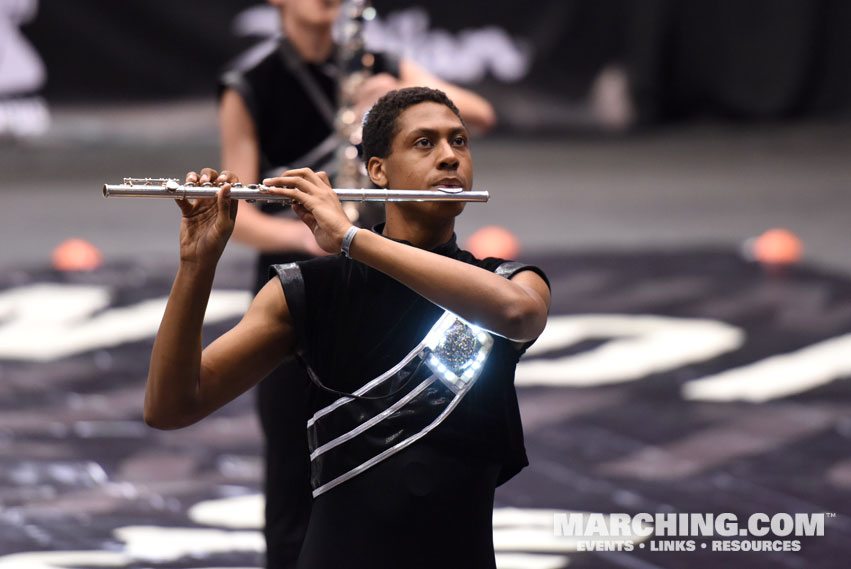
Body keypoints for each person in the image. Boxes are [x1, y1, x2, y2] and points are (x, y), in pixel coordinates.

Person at [145, 87, 550, 568]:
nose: (449, 157)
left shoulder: (507, 283)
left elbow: (518, 315)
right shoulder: (311, 291)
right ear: (377, 171)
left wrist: (350, 238)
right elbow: (171, 406)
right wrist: (197, 263)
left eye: (459, 142)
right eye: (425, 143)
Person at [218, 3, 496, 566]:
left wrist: (400, 89)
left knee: (395, 464)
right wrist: (315, 232)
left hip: (380, 276)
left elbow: (480, 115)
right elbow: (240, 209)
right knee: (293, 477)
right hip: (301, 285)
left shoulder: (380, 61)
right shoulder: (252, 84)